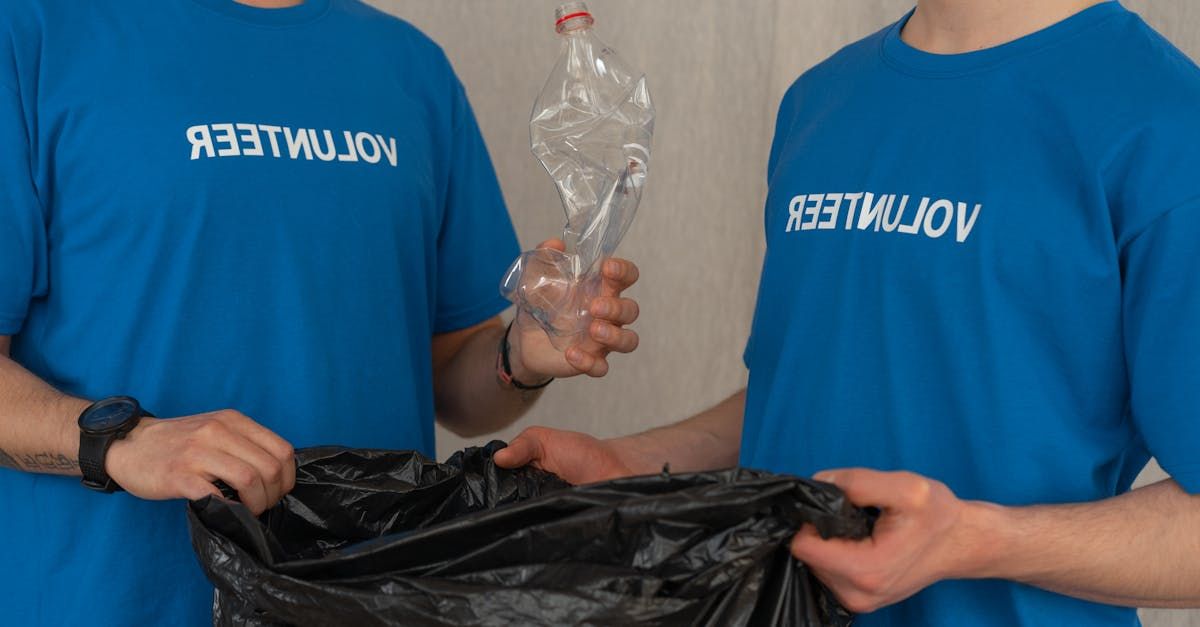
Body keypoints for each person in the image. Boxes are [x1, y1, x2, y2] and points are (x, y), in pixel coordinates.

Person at [496, 0, 1200, 625]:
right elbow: (809, 391)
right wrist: (632, 464)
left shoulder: (1164, 120)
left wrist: (973, 541)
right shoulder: (821, 101)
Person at [0, 0, 641, 624]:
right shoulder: (36, 31)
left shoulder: (412, 67)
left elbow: (458, 386)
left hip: (363, 599)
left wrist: (518, 357)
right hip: (112, 598)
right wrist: (122, 441)